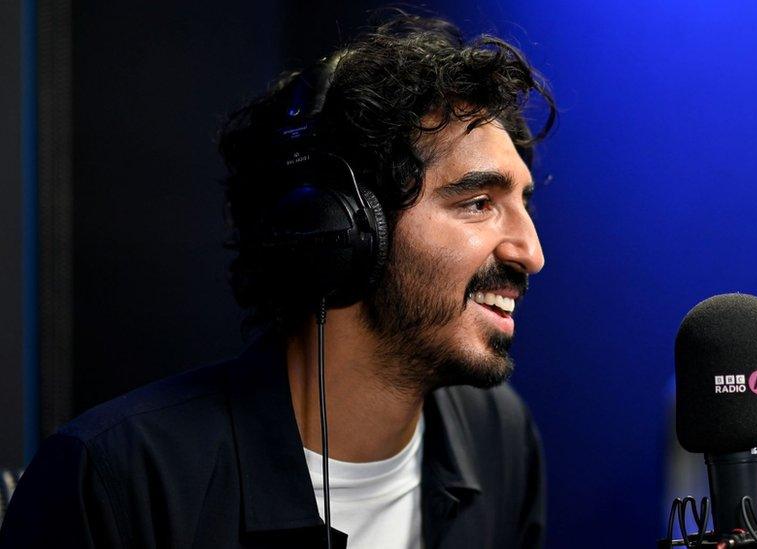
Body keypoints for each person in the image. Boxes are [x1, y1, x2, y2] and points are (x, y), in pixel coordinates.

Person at [0, 10, 556, 549]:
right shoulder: (116, 481)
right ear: (339, 233)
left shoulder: (499, 438)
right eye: (479, 202)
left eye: (522, 203)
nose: (531, 253)